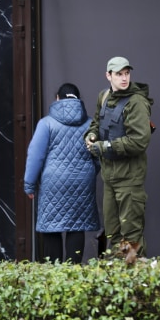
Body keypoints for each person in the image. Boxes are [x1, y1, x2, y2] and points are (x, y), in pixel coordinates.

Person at [84, 57, 153, 259]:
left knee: (130, 235)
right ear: (108, 76)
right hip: (109, 178)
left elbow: (139, 140)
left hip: (129, 179)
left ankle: (132, 279)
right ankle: (118, 276)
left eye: (126, 73)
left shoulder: (136, 102)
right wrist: (91, 135)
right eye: (118, 74)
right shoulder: (104, 97)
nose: (124, 78)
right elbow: (96, 123)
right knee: (113, 233)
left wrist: (104, 146)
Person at [24, 83, 101, 263]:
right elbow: (97, 157)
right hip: (83, 181)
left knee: (52, 226)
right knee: (77, 225)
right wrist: (87, 173)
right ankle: (73, 273)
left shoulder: (46, 124)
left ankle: (54, 275)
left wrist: (29, 184)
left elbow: (35, 156)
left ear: (57, 98)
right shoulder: (90, 124)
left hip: (53, 183)